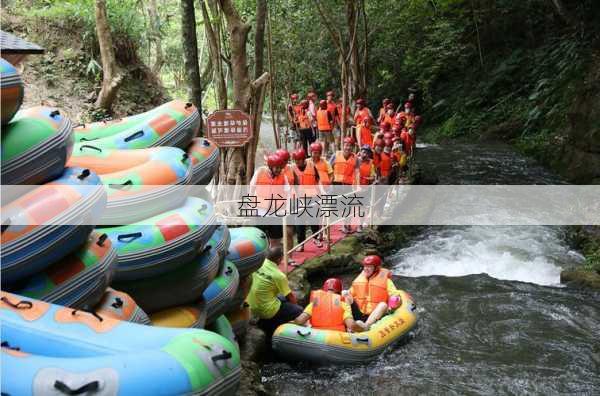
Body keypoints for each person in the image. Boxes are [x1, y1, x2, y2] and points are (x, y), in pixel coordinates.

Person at [246, 246, 304, 339]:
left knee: (281, 297)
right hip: (268, 312)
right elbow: (291, 297)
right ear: (279, 259)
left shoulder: (258, 264)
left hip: (251, 306)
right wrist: (296, 308)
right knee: (299, 310)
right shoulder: (279, 275)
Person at [343, 255, 402, 330]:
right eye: (365, 266)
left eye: (369, 267)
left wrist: (393, 302)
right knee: (345, 293)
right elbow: (350, 294)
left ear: (376, 268)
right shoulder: (359, 280)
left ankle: (366, 326)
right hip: (360, 313)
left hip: (375, 314)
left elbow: (395, 294)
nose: (365, 269)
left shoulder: (386, 281)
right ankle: (349, 323)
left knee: (383, 304)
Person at [249, 153, 290, 248]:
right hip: (261, 212)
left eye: (280, 167)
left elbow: (288, 193)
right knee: (260, 238)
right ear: (270, 166)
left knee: (276, 240)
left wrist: (287, 209)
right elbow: (251, 190)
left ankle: (273, 260)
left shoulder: (283, 176)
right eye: (277, 168)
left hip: (277, 212)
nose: (279, 170)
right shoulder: (259, 172)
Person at [294, 278, 364, 332]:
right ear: (339, 292)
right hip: (337, 339)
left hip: (316, 337)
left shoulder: (314, 303)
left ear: (324, 290)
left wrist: (291, 322)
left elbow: (300, 320)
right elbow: (351, 325)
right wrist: (363, 330)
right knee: (359, 323)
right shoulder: (343, 305)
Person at [291, 148, 323, 250]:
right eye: (295, 160)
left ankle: (316, 238)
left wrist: (321, 194)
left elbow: (318, 180)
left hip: (312, 197)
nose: (297, 162)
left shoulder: (312, 166)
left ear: (304, 159)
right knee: (300, 222)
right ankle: (301, 243)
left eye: (299, 160)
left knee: (314, 219)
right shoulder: (292, 168)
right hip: (298, 199)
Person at [330, 137, 358, 234]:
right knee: (334, 206)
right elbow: (329, 168)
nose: (348, 148)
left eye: (350, 146)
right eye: (346, 145)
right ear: (343, 145)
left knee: (348, 206)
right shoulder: (335, 155)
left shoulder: (355, 158)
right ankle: (327, 230)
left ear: (353, 147)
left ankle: (346, 225)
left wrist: (357, 186)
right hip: (336, 184)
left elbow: (357, 172)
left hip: (348, 185)